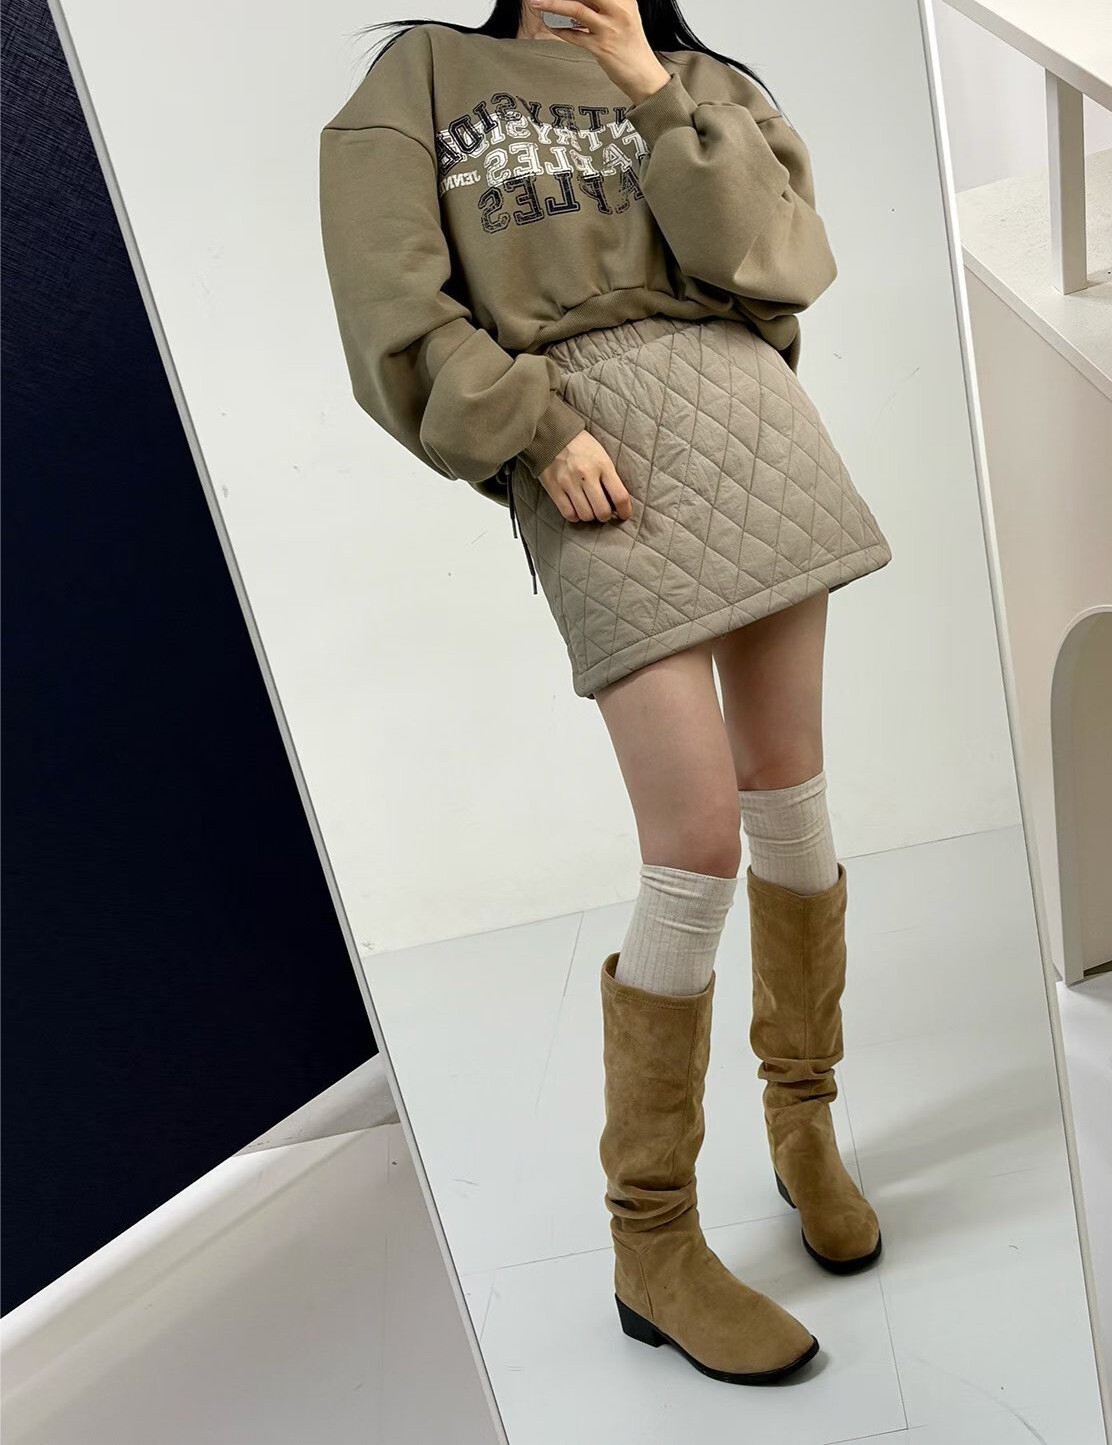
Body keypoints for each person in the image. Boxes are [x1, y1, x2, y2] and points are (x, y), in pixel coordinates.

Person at [319, 0, 891, 1385]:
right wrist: (536, 430)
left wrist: (647, 83)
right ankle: (654, 1237)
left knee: (792, 795)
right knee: (693, 843)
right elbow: (393, 309)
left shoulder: (703, 77)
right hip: (587, 459)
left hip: (753, 430)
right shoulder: (424, 75)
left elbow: (775, 261)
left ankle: (804, 1121)